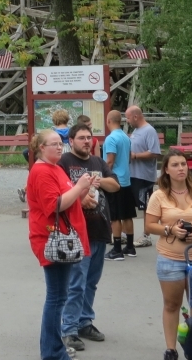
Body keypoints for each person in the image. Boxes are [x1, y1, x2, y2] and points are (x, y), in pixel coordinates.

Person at [26, 129, 94, 360]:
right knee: (56, 298)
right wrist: (79, 187)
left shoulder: (54, 168)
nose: (59, 147)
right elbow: (54, 205)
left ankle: (53, 349)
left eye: (60, 143)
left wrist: (83, 188)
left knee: (59, 296)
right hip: (53, 239)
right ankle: (53, 352)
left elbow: (67, 197)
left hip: (63, 238)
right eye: (54, 144)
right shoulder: (42, 171)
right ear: (41, 148)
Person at [144, 149, 192, 360]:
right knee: (172, 304)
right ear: (166, 170)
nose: (181, 168)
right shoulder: (159, 196)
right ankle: (171, 349)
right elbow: (149, 226)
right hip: (170, 258)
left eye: (183, 164)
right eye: (175, 165)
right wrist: (170, 230)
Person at [58, 123, 120, 353]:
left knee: (91, 282)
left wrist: (96, 181)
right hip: (75, 233)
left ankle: (85, 321)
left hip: (99, 230)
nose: (86, 141)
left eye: (89, 137)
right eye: (81, 138)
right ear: (71, 141)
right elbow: (58, 193)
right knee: (76, 283)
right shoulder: (64, 163)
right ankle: (70, 329)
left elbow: (115, 185)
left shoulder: (97, 162)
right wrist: (78, 195)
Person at [127, 105, 162, 247]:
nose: (127, 121)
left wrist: (135, 155)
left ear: (136, 117)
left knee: (146, 207)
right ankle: (125, 234)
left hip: (144, 176)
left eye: (128, 118)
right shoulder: (136, 130)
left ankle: (147, 236)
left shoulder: (149, 130)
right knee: (130, 204)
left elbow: (155, 152)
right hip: (132, 174)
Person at [103, 109, 136, 260]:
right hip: (127, 180)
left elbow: (109, 161)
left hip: (115, 181)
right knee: (127, 215)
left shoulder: (110, 139)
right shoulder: (125, 137)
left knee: (115, 216)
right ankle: (130, 247)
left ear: (108, 121)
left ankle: (117, 249)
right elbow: (129, 158)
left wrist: (104, 176)